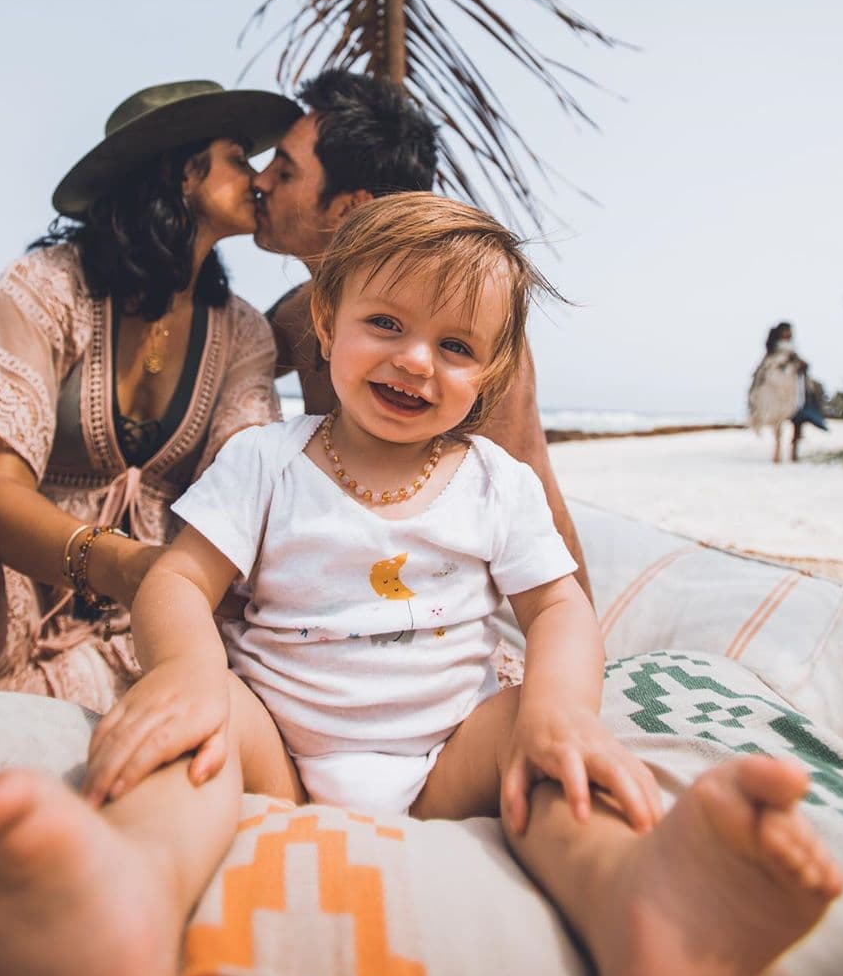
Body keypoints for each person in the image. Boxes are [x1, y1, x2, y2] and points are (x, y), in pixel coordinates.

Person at [0, 194, 843, 976]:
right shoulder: (266, 461)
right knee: (195, 725)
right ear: (326, 323)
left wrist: (563, 710)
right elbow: (178, 583)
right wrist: (188, 672)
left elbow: (559, 605)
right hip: (279, 750)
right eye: (385, 324)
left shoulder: (493, 483)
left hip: (449, 763)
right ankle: (123, 900)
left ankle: (646, 908)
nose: (414, 360)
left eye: (455, 346)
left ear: (492, 371)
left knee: (549, 746)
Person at [0, 80, 301, 711]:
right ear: (182, 173)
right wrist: (124, 566)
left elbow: (242, 479)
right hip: (7, 599)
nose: (259, 178)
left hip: (142, 636)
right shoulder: (50, 287)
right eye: (239, 158)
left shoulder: (242, 332)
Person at [252, 69, 592, 598]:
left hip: (489, 602)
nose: (260, 181)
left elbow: (523, 519)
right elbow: (222, 363)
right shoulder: (298, 313)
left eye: (285, 170)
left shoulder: (469, 339)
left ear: (350, 208)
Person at [748, 321, 809, 464]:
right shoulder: (773, 352)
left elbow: (801, 366)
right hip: (775, 388)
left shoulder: (792, 351)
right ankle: (777, 450)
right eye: (786, 331)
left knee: (798, 418)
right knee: (777, 420)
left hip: (792, 388)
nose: (788, 334)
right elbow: (766, 369)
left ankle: (793, 451)